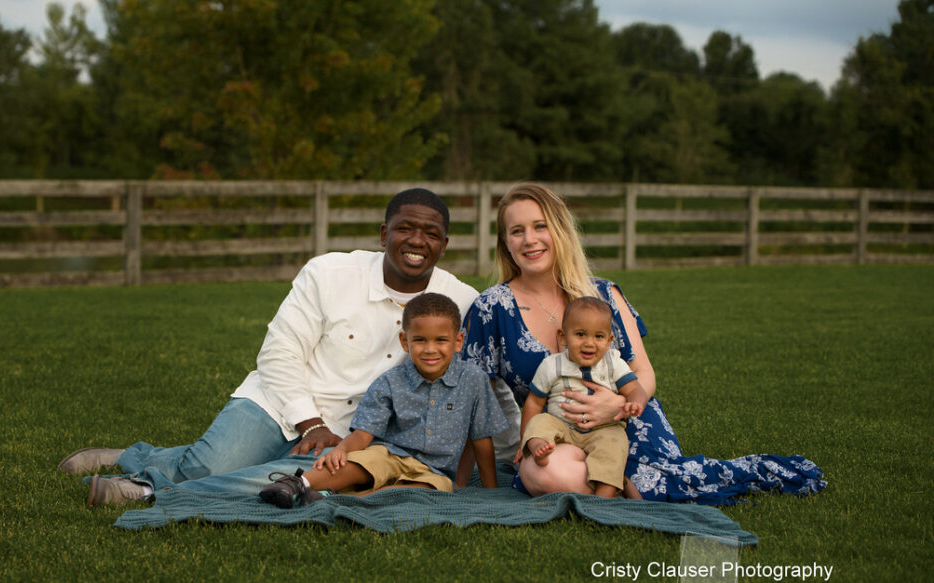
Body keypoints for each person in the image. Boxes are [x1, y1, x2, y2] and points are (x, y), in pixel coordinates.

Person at [67, 188, 497, 505]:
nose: (417, 241)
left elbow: (474, 384)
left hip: (357, 433)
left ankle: (143, 489)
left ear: (445, 243)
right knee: (207, 466)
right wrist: (309, 423)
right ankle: (135, 456)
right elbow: (278, 354)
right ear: (384, 233)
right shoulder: (329, 272)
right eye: (405, 228)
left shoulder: (460, 301)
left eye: (431, 233)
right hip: (281, 402)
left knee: (287, 479)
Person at [462, 182, 827, 504]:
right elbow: (472, 395)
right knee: (550, 476)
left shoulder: (603, 294)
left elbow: (643, 373)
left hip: (626, 422)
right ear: (505, 243)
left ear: (560, 231)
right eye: (516, 231)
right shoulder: (492, 307)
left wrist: (617, 405)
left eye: (540, 226)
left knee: (653, 479)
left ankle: (736, 473)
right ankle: (619, 487)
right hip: (557, 437)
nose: (529, 240)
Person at [258, 293, 506, 508]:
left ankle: (336, 499)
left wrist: (489, 490)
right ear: (404, 341)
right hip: (389, 453)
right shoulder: (390, 382)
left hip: (434, 471)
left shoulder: (474, 381)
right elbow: (363, 435)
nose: (430, 349)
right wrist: (342, 450)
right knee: (360, 462)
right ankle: (297, 484)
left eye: (440, 340)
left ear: (458, 341)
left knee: (429, 489)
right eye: (420, 340)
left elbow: (481, 439)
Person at [519, 296, 648, 497]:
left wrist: (636, 402)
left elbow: (634, 389)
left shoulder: (613, 363)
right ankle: (538, 448)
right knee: (540, 421)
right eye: (580, 334)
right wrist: (524, 440)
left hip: (603, 428)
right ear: (563, 337)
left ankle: (603, 495)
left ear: (609, 340)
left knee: (614, 444)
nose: (589, 343)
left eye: (598, 336)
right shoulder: (552, 365)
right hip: (562, 427)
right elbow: (534, 403)